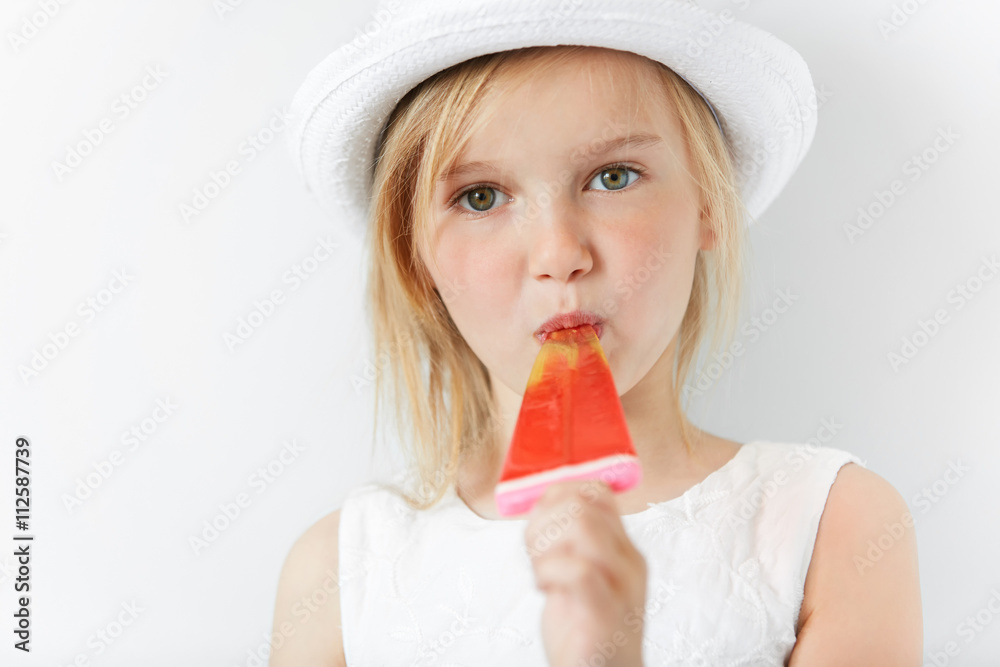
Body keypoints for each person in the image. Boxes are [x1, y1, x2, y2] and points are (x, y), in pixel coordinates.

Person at [271, 1, 922, 665]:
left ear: (708, 201)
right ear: (415, 260)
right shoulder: (337, 575)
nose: (558, 251)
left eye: (612, 177)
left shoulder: (833, 524)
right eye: (481, 196)